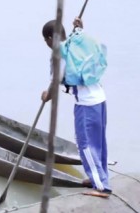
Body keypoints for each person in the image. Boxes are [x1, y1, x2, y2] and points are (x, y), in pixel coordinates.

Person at [41, 18, 111, 198]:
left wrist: (46, 96)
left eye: (46, 40)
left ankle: (101, 186)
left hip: (87, 104)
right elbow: (77, 34)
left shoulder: (61, 53)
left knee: (85, 144)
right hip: (100, 99)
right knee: (99, 142)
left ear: (50, 38)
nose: (47, 44)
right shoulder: (76, 41)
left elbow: (55, 82)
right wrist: (80, 27)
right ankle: (98, 176)